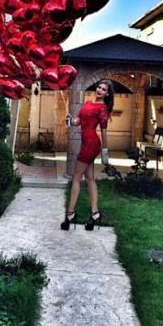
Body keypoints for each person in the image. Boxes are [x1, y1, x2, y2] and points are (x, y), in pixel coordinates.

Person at [62, 79, 113, 231]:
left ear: (107, 94)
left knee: (76, 178)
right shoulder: (88, 103)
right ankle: (95, 214)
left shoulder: (102, 108)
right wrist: (70, 121)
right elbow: (78, 122)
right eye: (99, 87)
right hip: (86, 143)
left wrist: (105, 151)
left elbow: (103, 131)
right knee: (90, 178)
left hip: (91, 144)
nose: (100, 90)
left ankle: (70, 214)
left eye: (103, 89)